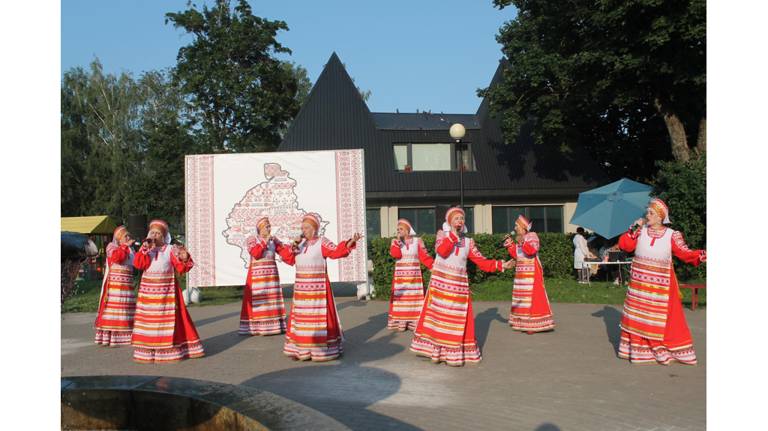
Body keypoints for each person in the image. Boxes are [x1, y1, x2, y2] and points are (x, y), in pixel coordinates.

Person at [410, 207, 514, 366]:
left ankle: (453, 355)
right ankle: (436, 353)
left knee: (455, 322)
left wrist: (501, 265)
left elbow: (482, 261)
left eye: (462, 218)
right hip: (440, 286)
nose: (460, 221)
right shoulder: (441, 235)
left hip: (458, 288)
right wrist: (452, 236)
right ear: (450, 221)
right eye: (457, 218)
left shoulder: (468, 242)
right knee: (438, 321)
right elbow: (442, 251)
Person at [617, 198, 706, 365]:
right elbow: (625, 245)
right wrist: (633, 228)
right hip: (639, 285)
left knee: (663, 318)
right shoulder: (640, 231)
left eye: (651, 213)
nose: (647, 215)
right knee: (639, 317)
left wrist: (700, 255)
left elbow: (684, 253)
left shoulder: (672, 234)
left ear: (660, 217)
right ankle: (640, 351)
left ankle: (664, 349)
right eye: (648, 212)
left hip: (661, 286)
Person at [277, 213, 362, 361]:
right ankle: (302, 350)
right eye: (302, 227)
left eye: (307, 227)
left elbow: (336, 252)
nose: (304, 230)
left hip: (318, 289)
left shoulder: (322, 242)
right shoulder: (299, 245)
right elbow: (287, 258)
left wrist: (350, 242)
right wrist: (294, 245)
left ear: (315, 229)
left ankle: (322, 351)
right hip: (302, 290)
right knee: (302, 320)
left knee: (319, 318)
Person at [131, 219, 204, 363]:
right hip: (148, 294)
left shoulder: (170, 249)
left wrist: (184, 257)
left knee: (168, 322)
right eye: (152, 232)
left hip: (167, 293)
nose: (155, 235)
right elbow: (139, 264)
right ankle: (148, 351)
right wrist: (145, 249)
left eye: (158, 233)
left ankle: (169, 352)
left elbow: (182, 268)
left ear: (164, 236)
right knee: (149, 323)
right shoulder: (146, 249)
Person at [505, 215, 555, 334]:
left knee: (533, 297)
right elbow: (517, 255)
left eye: (517, 225)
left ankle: (533, 324)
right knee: (521, 297)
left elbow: (532, 250)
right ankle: (522, 321)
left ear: (523, 226)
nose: (515, 228)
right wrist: (510, 244)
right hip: (521, 272)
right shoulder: (520, 238)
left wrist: (522, 241)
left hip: (532, 271)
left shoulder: (532, 236)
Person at [239, 217, 288, 336]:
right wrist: (265, 240)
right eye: (267, 226)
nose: (270, 228)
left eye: (270, 226)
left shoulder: (273, 240)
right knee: (259, 300)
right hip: (257, 275)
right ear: (260, 228)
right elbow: (255, 253)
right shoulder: (252, 239)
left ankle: (274, 326)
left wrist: (296, 247)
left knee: (271, 299)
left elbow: (284, 251)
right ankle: (257, 328)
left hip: (271, 275)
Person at [388, 218, 434, 331]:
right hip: (401, 278)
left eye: (401, 229)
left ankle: (414, 322)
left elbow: (424, 256)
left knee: (414, 300)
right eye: (398, 229)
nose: (399, 231)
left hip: (414, 277)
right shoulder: (395, 242)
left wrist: (433, 267)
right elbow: (396, 255)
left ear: (408, 231)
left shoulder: (417, 241)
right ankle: (401, 322)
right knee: (402, 300)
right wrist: (398, 242)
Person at [94, 225, 136, 347]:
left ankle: (127, 335)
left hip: (127, 285)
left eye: (128, 235)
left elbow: (136, 263)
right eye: (125, 236)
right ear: (118, 238)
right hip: (115, 286)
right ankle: (111, 337)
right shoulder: (111, 247)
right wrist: (125, 246)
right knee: (116, 309)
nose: (128, 237)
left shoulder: (130, 249)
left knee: (126, 308)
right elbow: (117, 258)